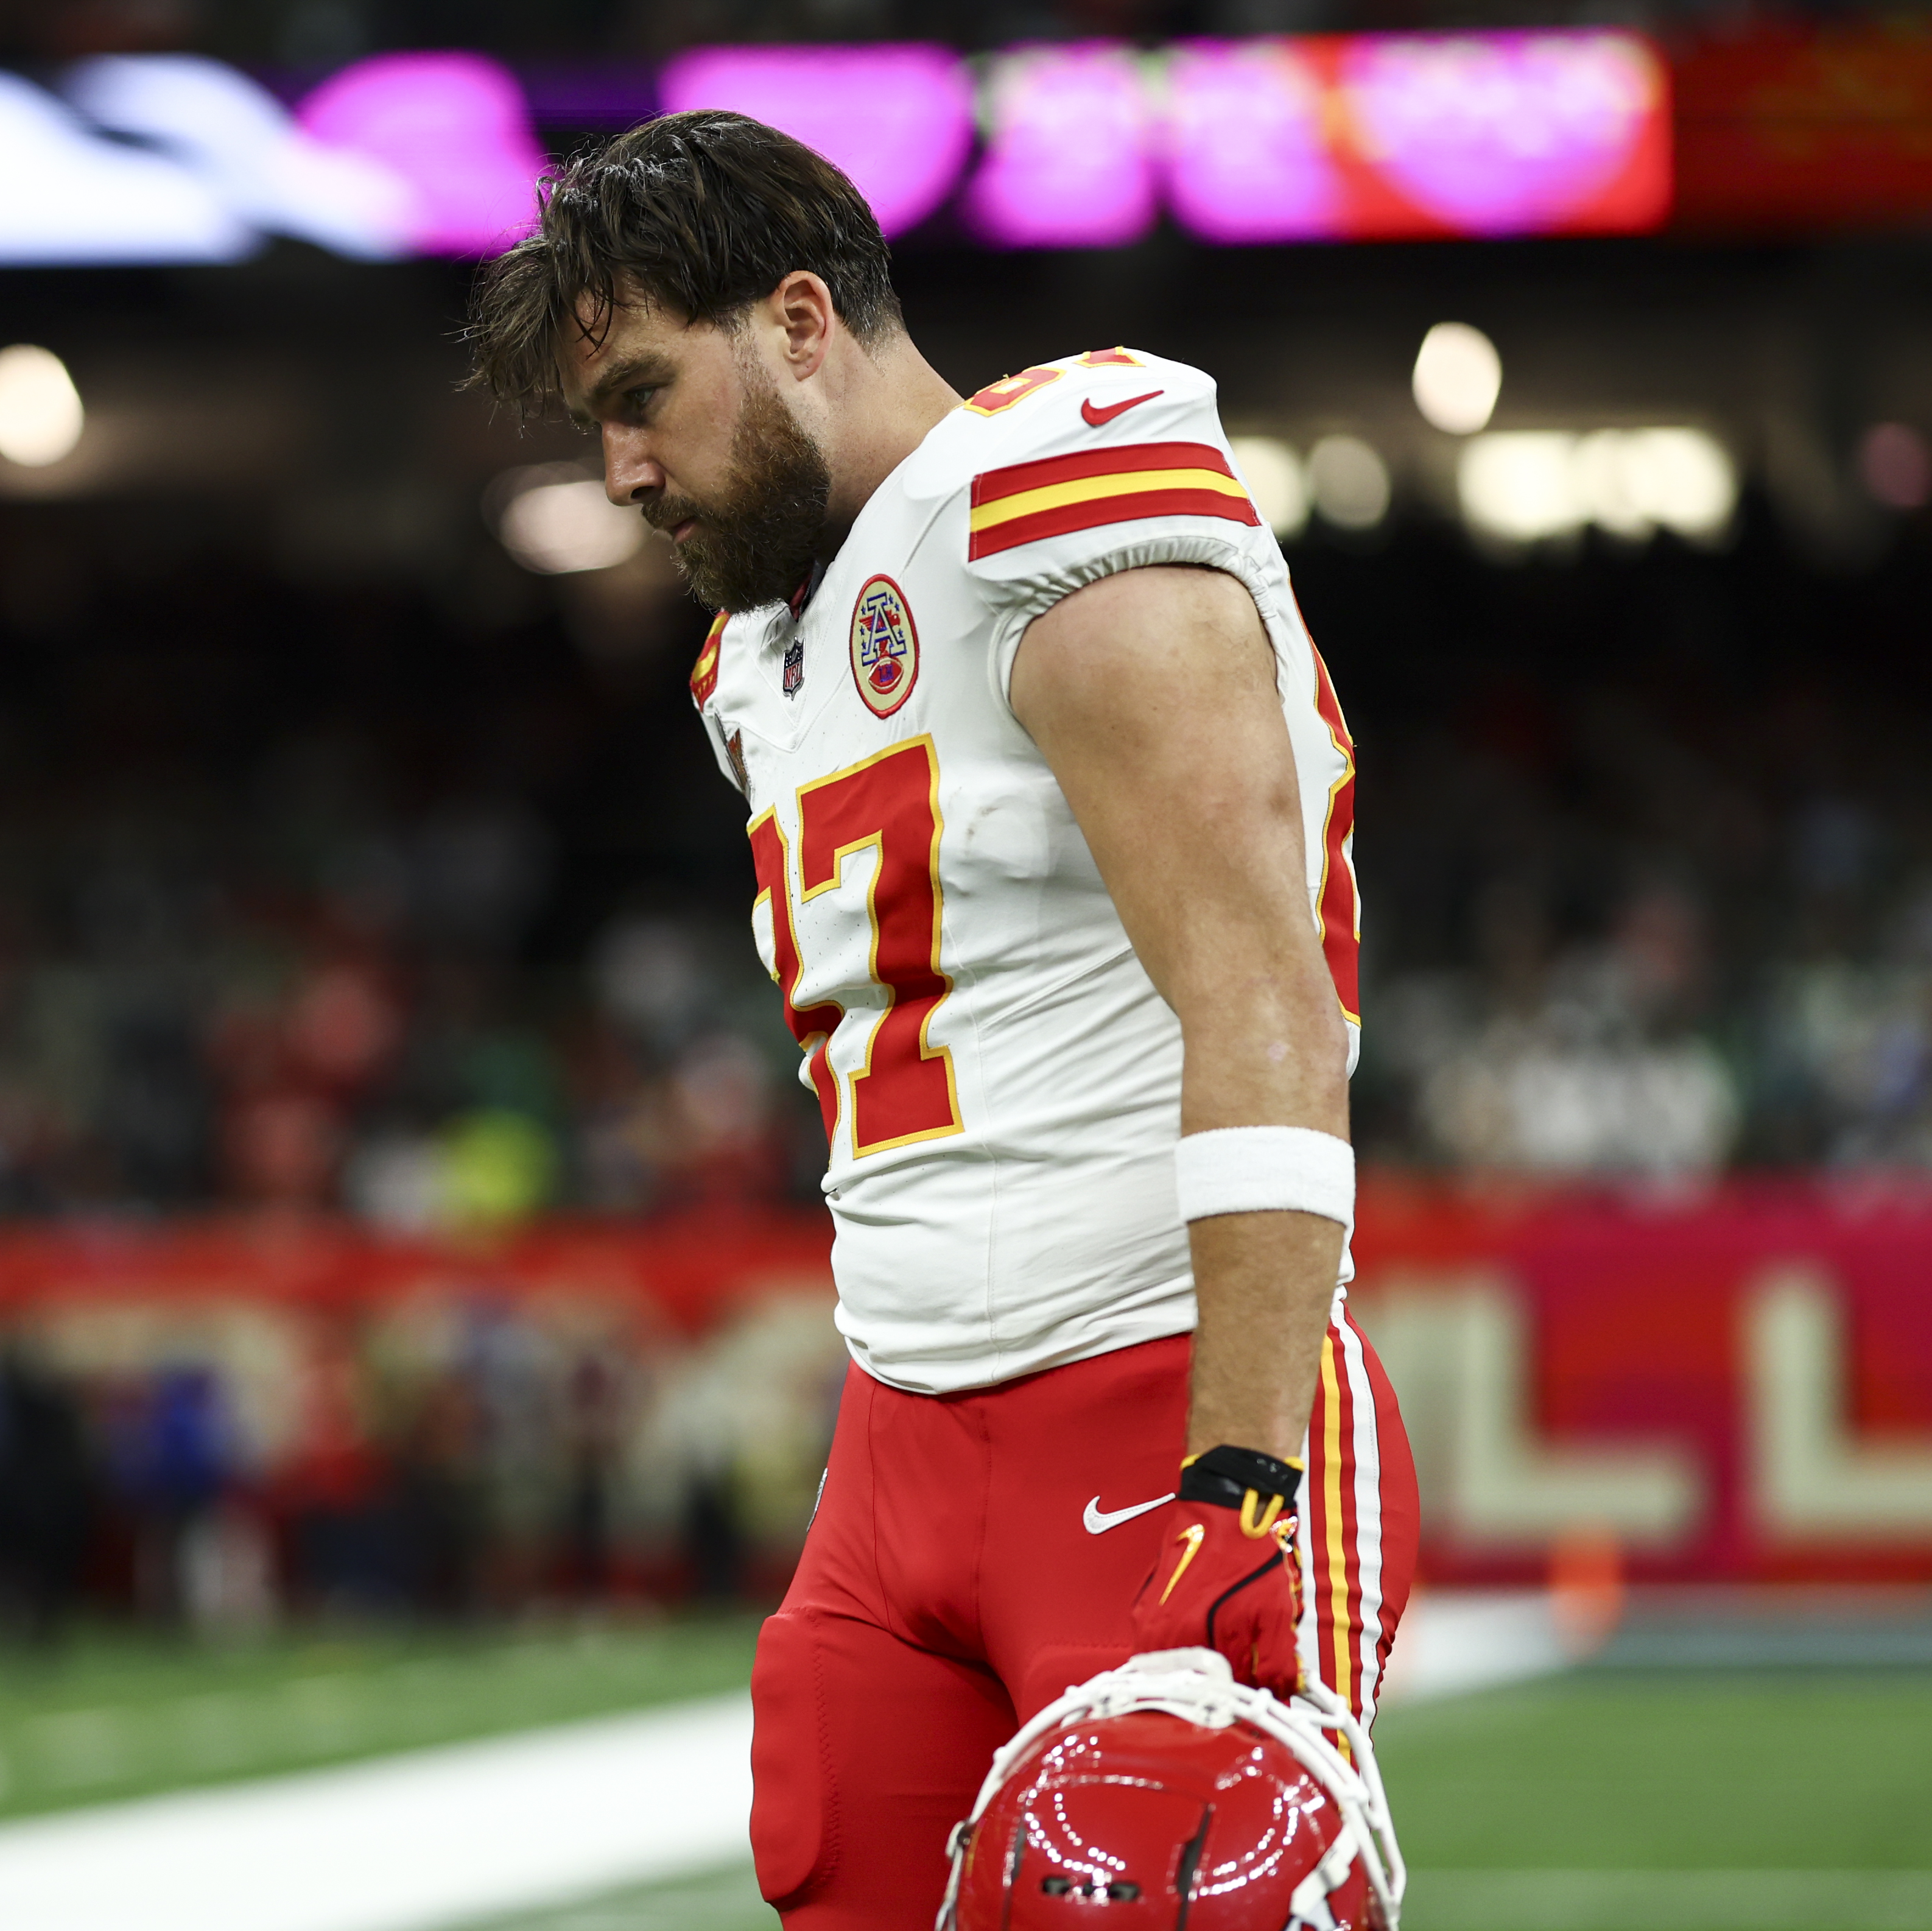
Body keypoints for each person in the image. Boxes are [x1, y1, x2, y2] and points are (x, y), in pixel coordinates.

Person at [468, 113, 1418, 1927]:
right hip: (898, 1443)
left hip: (1156, 1401)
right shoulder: (757, 650)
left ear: (804, 320)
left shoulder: (1064, 489)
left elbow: (1265, 1002)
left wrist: (1243, 1471)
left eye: (648, 395)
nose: (621, 470)